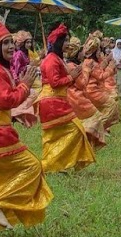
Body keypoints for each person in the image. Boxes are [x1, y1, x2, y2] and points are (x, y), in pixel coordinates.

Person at [0, 20, 53, 237]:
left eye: (11, 42)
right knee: (33, 167)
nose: (10, 46)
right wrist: (25, 85)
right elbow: (7, 99)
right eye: (5, 43)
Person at [35, 25, 96, 174]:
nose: (68, 43)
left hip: (58, 100)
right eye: (65, 40)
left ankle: (56, 165)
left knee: (58, 136)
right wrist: (71, 77)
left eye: (68, 40)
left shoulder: (57, 58)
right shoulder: (51, 60)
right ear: (57, 42)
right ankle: (49, 165)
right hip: (52, 101)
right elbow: (55, 83)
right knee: (74, 130)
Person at [79, 33, 120, 148]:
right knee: (112, 106)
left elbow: (99, 69)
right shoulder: (91, 62)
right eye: (98, 50)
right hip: (93, 91)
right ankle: (94, 129)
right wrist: (111, 67)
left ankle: (95, 131)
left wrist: (107, 62)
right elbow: (101, 76)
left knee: (103, 109)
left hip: (94, 90)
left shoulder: (90, 61)